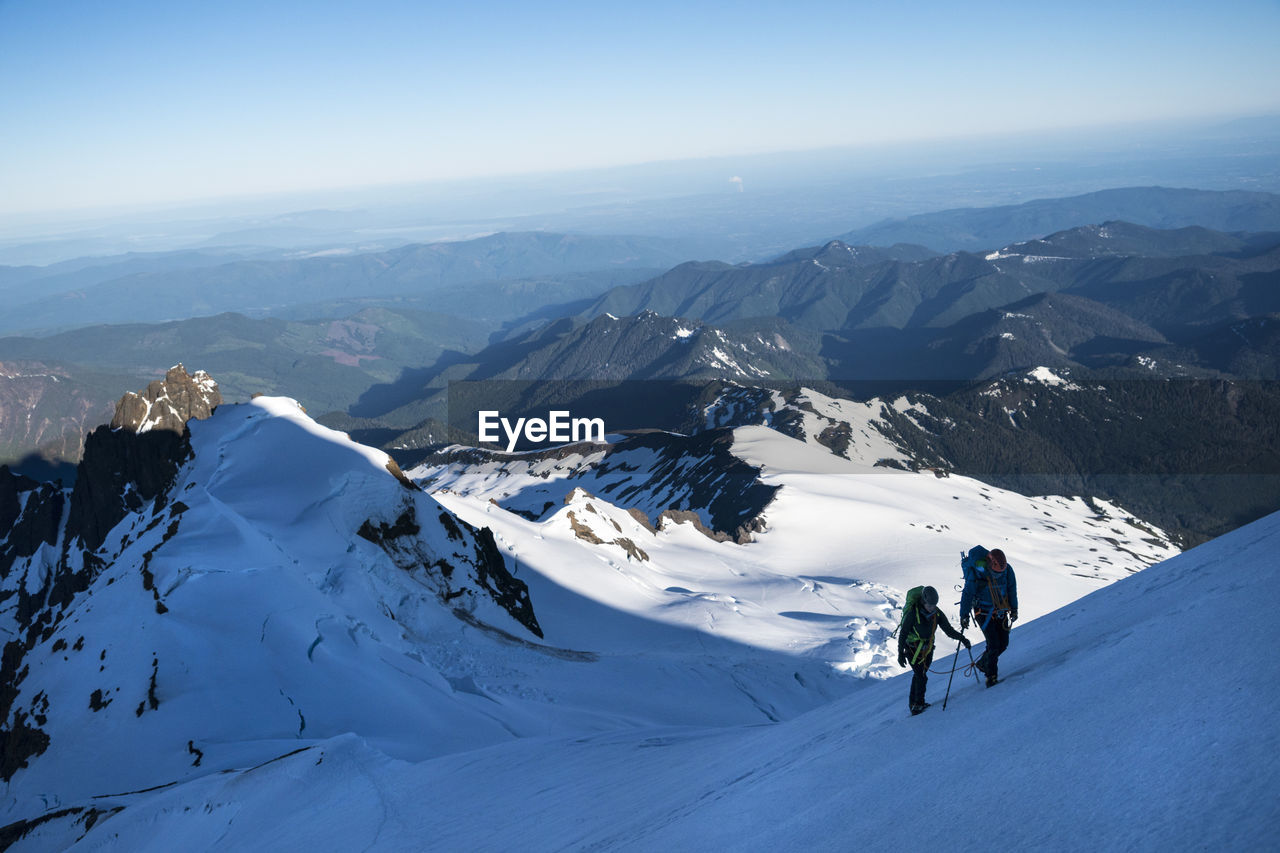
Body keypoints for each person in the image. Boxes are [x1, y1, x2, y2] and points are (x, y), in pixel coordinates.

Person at [897, 585, 969, 715]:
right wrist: (900, 653)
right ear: (923, 602)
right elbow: (903, 633)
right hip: (913, 649)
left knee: (920, 675)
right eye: (930, 605)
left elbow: (948, 630)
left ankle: (914, 703)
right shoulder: (913, 613)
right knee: (921, 676)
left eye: (934, 605)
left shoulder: (937, 613)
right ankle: (917, 705)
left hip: (928, 648)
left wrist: (962, 639)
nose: (932, 608)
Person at [960, 547, 1019, 687]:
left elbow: (1012, 589)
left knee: (1003, 644)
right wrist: (964, 615)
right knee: (993, 644)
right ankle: (991, 677)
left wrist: (1014, 608)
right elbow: (967, 594)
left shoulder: (1007, 570)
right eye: (996, 572)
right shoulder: (978, 573)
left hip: (1001, 610)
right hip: (983, 613)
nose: (999, 574)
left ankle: (983, 664)